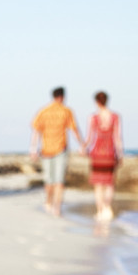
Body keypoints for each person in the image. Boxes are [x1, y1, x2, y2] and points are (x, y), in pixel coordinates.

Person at [30, 87, 84, 217]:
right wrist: (82, 145)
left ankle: (48, 202)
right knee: (59, 181)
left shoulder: (43, 111)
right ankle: (57, 207)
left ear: (53, 96)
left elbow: (36, 131)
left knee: (49, 180)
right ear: (63, 97)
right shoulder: (66, 111)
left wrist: (33, 149)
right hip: (61, 149)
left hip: (46, 149)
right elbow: (74, 129)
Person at [85, 91, 123, 220]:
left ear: (96, 102)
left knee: (98, 184)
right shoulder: (115, 117)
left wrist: (83, 148)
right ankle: (107, 206)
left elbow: (89, 138)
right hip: (110, 153)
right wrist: (120, 154)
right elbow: (118, 138)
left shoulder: (93, 118)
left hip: (97, 153)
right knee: (109, 183)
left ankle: (100, 210)